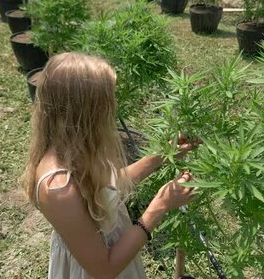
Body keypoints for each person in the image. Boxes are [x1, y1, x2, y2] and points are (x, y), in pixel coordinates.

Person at [21, 52, 199, 279]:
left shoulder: (77, 148)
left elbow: (112, 186)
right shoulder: (58, 187)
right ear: (86, 113)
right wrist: (161, 205)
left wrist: (163, 155)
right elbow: (104, 268)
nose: (114, 106)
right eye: (108, 101)